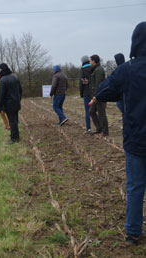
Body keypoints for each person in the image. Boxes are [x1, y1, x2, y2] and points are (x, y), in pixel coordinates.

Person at [95, 22, 146, 245]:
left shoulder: (127, 70)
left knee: (135, 186)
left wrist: (124, 95)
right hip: (135, 140)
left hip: (136, 139)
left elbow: (102, 91)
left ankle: (133, 233)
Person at [0, 63, 22, 144]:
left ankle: (14, 138)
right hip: (17, 102)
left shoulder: (2, 80)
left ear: (2, 69)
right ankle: (15, 135)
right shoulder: (15, 76)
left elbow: (1, 95)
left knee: (12, 121)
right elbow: (20, 90)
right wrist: (19, 99)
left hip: (9, 104)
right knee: (15, 120)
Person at [88, 54, 108, 136]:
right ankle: (99, 129)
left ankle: (105, 132)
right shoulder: (95, 70)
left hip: (100, 96)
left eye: (90, 61)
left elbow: (99, 84)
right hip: (95, 95)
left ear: (94, 61)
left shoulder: (98, 70)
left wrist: (96, 95)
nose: (89, 62)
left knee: (101, 114)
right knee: (91, 111)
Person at [79, 55, 93, 133]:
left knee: (87, 111)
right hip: (94, 92)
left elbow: (81, 83)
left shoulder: (83, 70)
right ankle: (100, 127)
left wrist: (81, 93)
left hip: (86, 93)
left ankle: (88, 128)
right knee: (96, 110)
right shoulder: (93, 68)